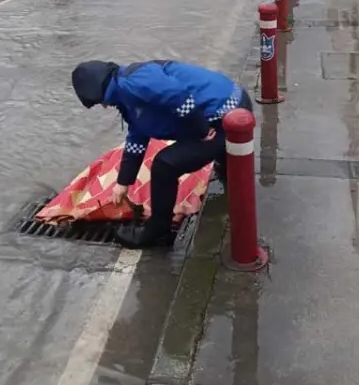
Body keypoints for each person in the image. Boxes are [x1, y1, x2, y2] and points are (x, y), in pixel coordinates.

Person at [71, 60, 253, 249]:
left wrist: (202, 131)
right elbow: (137, 135)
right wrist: (123, 182)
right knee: (208, 158)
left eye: (100, 102)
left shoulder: (136, 83)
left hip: (230, 118)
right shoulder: (127, 87)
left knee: (164, 165)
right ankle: (227, 166)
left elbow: (181, 98)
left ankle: (157, 231)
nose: (103, 106)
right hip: (227, 109)